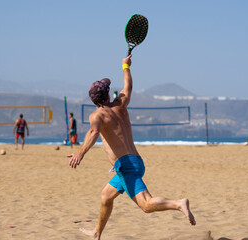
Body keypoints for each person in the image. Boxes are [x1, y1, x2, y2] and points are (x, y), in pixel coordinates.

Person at [67, 55, 196, 240]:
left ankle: (178, 203)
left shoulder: (97, 115)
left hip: (127, 166)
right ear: (106, 94)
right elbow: (128, 87)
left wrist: (80, 153)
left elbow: (93, 133)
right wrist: (126, 66)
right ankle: (97, 233)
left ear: (93, 100)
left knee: (146, 205)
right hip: (134, 162)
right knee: (106, 196)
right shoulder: (120, 104)